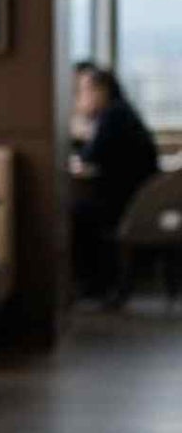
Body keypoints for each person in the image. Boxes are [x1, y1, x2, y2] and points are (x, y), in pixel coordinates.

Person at [70, 64, 159, 302]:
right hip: (134, 199)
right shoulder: (120, 112)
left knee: (74, 216)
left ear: (101, 91)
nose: (81, 97)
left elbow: (90, 156)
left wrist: (81, 123)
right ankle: (96, 285)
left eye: (84, 91)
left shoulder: (113, 116)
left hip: (128, 205)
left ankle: (93, 286)